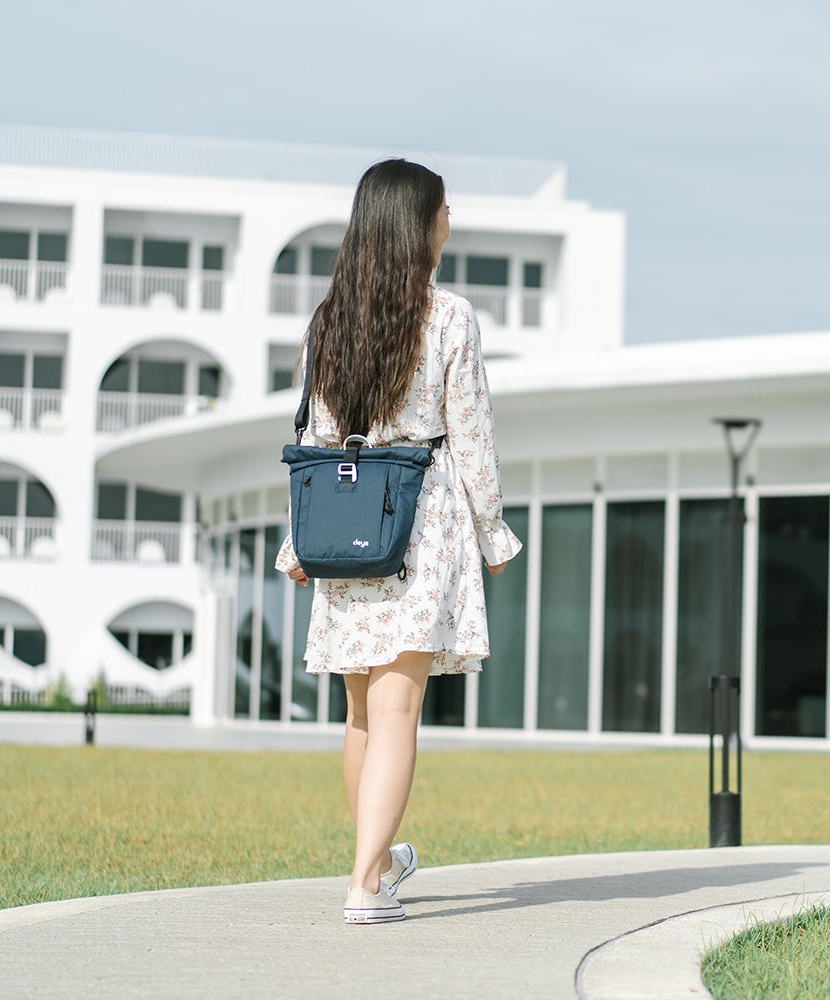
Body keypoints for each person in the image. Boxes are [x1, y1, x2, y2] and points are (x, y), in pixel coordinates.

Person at [275, 158, 522, 924]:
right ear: (419, 225)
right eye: (445, 210)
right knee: (398, 713)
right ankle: (363, 887)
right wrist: (495, 535)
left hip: (347, 523)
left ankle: (376, 867)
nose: (451, 221)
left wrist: (296, 547)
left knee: (360, 716)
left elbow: (315, 442)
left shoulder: (329, 320)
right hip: (421, 518)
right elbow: (473, 439)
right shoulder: (448, 317)